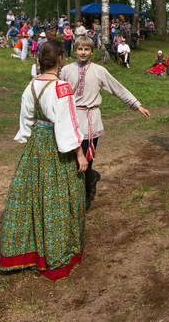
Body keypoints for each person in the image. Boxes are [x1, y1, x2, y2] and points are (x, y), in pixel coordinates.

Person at [0, 40, 88, 281]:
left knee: (33, 194)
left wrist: (31, 144)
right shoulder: (62, 88)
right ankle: (56, 254)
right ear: (60, 60)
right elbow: (67, 125)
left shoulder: (31, 86)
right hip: (56, 145)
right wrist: (80, 154)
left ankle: (28, 251)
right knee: (58, 197)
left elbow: (26, 122)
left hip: (35, 145)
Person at [60, 36, 150, 210]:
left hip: (91, 119)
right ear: (75, 50)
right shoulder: (65, 71)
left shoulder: (99, 71)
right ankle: (83, 184)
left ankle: (88, 191)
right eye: (80, 49)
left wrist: (136, 105)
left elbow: (117, 88)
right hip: (70, 119)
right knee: (70, 158)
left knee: (86, 159)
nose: (83, 52)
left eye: (86, 49)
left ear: (92, 52)